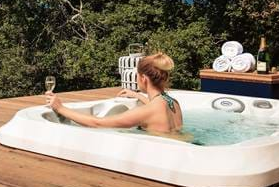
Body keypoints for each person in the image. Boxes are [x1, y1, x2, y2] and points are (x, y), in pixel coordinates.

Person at [45, 52, 183, 134]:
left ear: (143, 78)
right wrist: (137, 96)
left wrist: (60, 108)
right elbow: (156, 108)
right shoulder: (172, 103)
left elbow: (97, 123)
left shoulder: (149, 111)